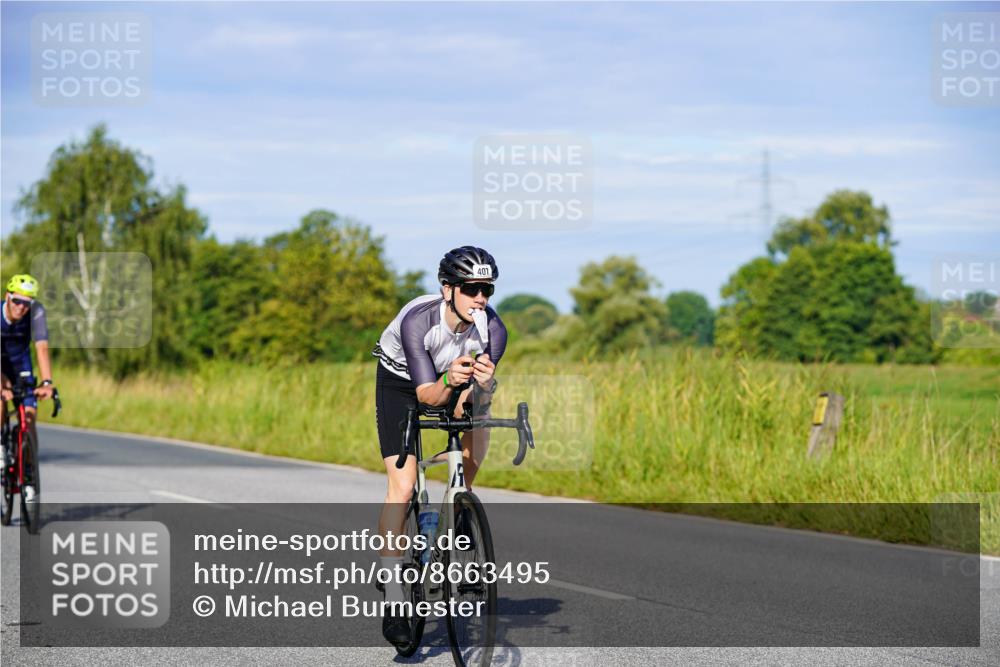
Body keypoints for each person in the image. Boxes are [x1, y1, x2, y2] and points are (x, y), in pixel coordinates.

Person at [372, 246, 507, 645]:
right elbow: (429, 395)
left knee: (480, 412)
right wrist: (449, 382)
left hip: (451, 379)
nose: (480, 297)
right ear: (447, 289)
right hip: (402, 382)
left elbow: (468, 403)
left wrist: (480, 389)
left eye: (487, 289)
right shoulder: (419, 320)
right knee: (403, 483)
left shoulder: (493, 331)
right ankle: (395, 599)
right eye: (471, 288)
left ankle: (462, 495)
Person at [1, 274, 55, 502]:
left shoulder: (37, 313)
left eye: (27, 303)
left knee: (30, 419)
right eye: (17, 301)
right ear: (7, 297)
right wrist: (3, 385)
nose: (22, 307)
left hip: (22, 366)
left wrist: (47, 382)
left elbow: (41, 348)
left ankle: (29, 476)